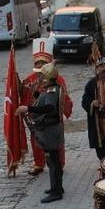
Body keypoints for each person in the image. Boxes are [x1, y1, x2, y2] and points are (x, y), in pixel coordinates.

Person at [19, 43, 72, 176]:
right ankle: (38, 163)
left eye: (43, 62)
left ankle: (58, 163)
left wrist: (64, 111)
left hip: (51, 119)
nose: (40, 65)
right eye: (38, 63)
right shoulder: (29, 79)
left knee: (55, 143)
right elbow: (23, 93)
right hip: (35, 118)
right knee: (36, 141)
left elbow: (63, 97)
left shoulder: (58, 79)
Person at [18, 62, 65, 203]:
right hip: (50, 129)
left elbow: (49, 108)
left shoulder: (52, 91)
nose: (39, 77)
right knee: (52, 161)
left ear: (48, 76)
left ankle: (56, 191)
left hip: (51, 130)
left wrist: (28, 108)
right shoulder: (50, 89)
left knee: (53, 161)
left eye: (42, 74)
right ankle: (56, 187)